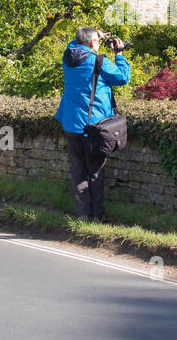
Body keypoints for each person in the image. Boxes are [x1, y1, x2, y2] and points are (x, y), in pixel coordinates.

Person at [53, 27, 131, 221]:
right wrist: (119, 54)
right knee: (95, 171)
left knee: (78, 169)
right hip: (94, 126)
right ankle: (97, 216)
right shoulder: (98, 61)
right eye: (96, 41)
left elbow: (75, 42)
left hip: (71, 123)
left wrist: (94, 34)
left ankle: (82, 215)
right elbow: (122, 78)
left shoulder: (68, 56)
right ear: (91, 44)